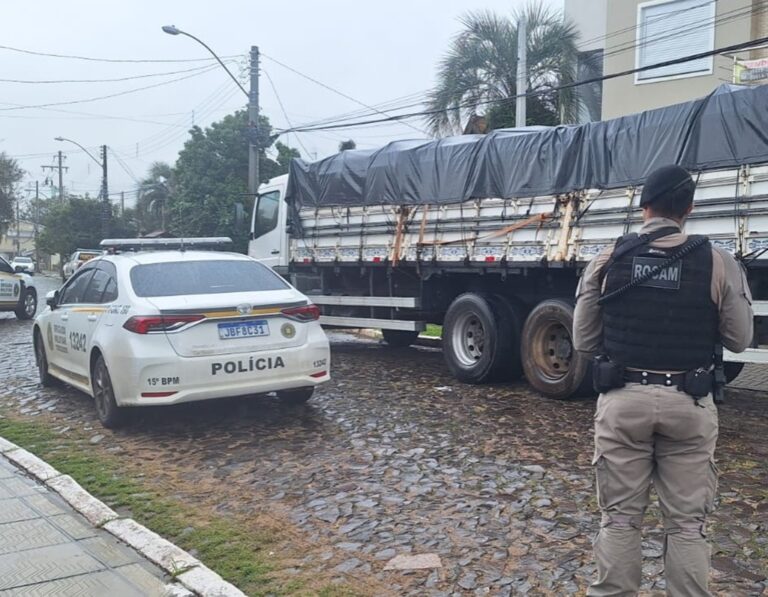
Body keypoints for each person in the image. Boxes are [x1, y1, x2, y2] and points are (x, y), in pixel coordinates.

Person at [573, 164, 754, 596]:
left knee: (619, 519)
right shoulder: (717, 261)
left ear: (643, 206)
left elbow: (582, 339)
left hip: (623, 401)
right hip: (689, 405)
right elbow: (740, 338)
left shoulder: (607, 258)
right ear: (689, 208)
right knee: (688, 526)